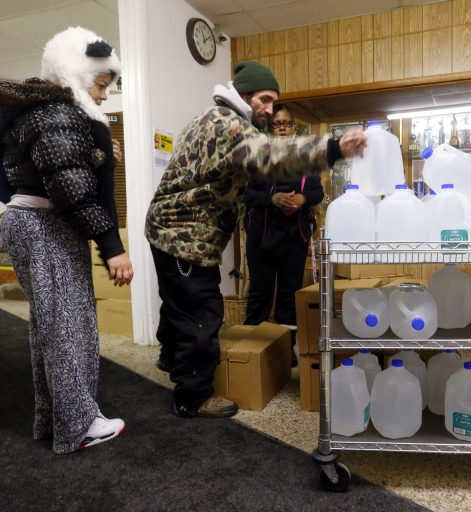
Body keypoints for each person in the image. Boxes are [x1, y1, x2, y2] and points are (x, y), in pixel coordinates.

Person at [145, 61, 366, 419]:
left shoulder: (211, 117)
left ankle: (171, 359)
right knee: (202, 312)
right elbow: (270, 156)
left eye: (273, 102)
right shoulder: (227, 125)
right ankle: (193, 395)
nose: (268, 108)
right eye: (264, 99)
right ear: (244, 94)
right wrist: (334, 147)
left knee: (179, 302)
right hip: (185, 234)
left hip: (170, 229)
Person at [0, 26, 131, 454]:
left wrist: (98, 154)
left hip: (29, 219)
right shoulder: (57, 114)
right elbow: (71, 189)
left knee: (50, 327)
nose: (103, 96)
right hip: (44, 223)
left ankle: (55, 419)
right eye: (101, 84)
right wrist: (112, 246)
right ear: (76, 74)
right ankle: (79, 425)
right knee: (68, 326)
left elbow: (54, 167)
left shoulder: (38, 111)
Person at [242, 104, 324, 366]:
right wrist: (272, 198)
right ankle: (250, 351)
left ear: (293, 127)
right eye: (276, 123)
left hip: (294, 238)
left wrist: (301, 198)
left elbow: (317, 192)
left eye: (286, 123)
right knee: (260, 294)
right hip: (262, 238)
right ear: (269, 127)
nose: (282, 128)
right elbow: (245, 194)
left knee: (289, 296)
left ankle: (285, 350)